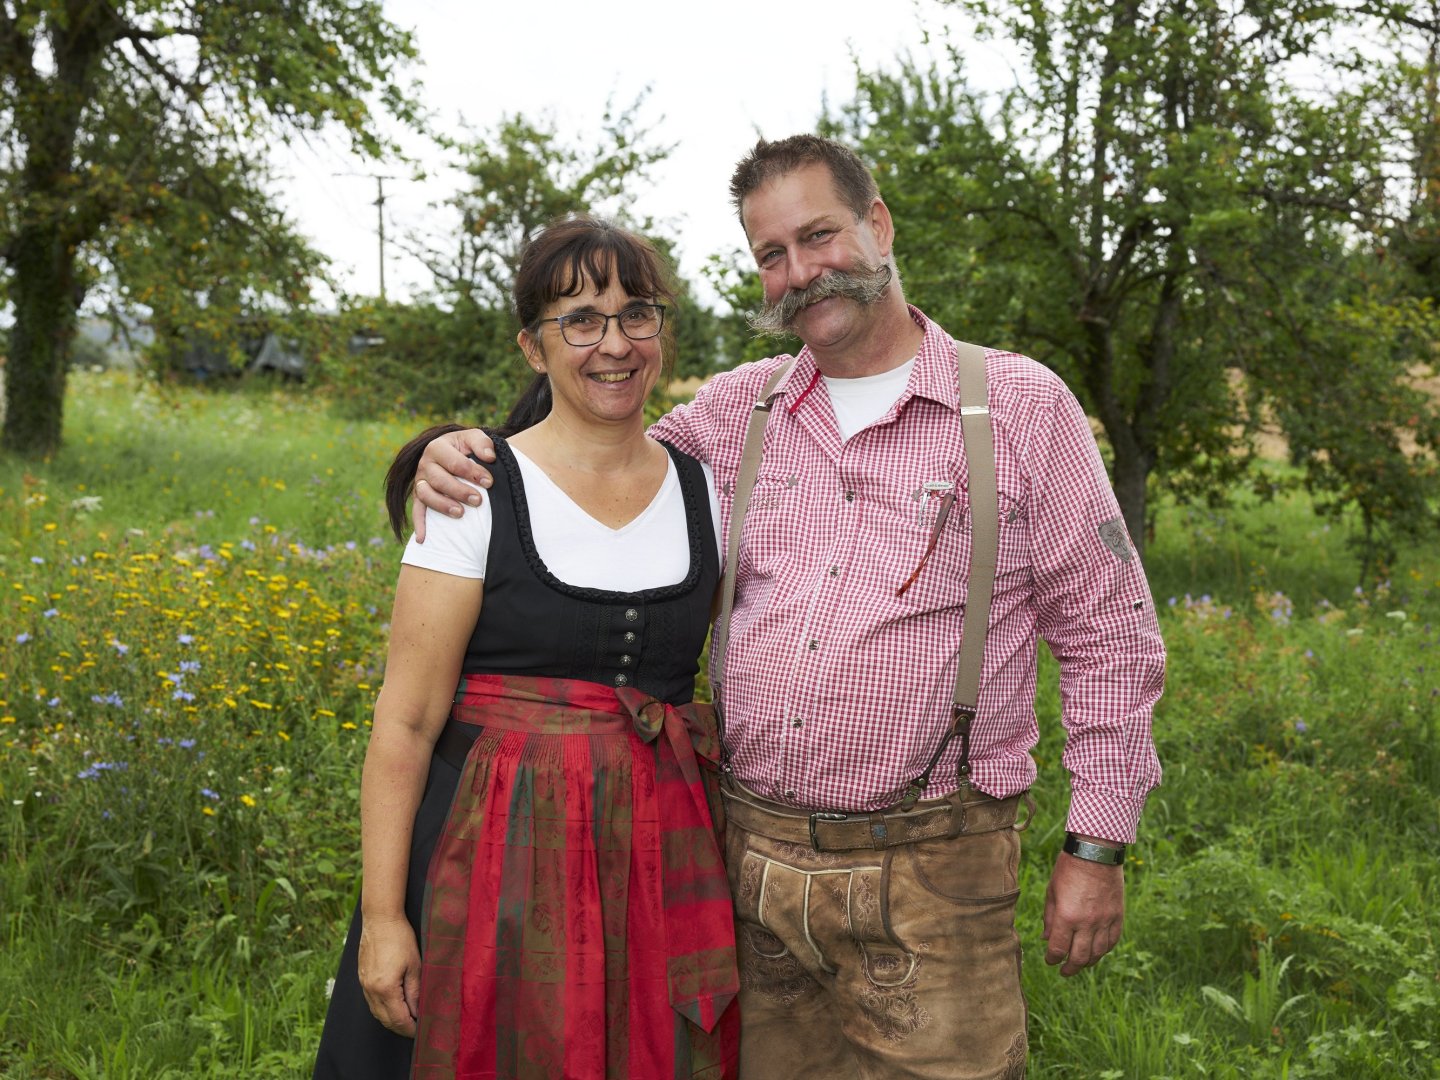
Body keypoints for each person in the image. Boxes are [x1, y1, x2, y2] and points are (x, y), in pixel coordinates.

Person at [409, 135, 1166, 1080]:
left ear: (877, 225)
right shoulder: (731, 415)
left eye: (820, 236)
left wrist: (1096, 848)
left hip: (936, 873)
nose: (801, 272)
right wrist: (444, 453)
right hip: (746, 869)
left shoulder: (1016, 406)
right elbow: (577, 457)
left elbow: (1110, 638)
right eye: (772, 254)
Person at [314, 215, 740, 1079]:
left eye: (635, 314)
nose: (613, 343)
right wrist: (387, 917)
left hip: (650, 862)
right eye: (579, 319)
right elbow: (405, 723)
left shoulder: (708, 488)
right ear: (533, 348)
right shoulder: (475, 490)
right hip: (484, 862)